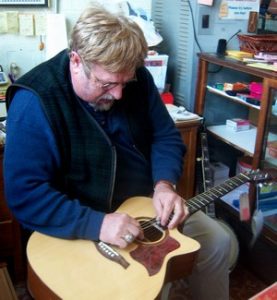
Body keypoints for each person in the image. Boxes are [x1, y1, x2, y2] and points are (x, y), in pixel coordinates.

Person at [4, 4, 230, 300]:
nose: (119, 94)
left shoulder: (136, 79)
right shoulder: (35, 102)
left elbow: (165, 136)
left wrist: (164, 184)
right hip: (82, 222)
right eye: (107, 83)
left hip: (145, 210)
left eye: (125, 82)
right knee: (141, 289)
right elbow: (24, 194)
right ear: (76, 61)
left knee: (218, 242)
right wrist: (97, 224)